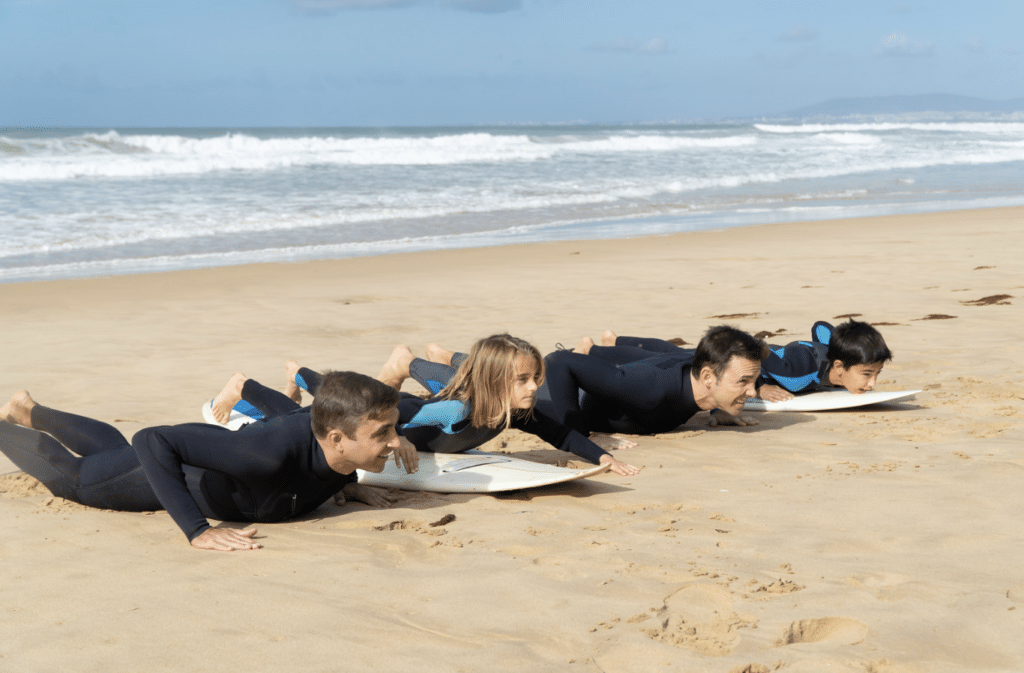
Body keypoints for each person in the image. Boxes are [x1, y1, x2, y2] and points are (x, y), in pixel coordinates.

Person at [0, 371, 401, 552]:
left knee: (112, 450)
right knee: (74, 480)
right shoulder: (264, 456)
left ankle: (28, 409)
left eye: (393, 430)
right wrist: (196, 530)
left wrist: (347, 481)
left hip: (215, 454)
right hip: (163, 470)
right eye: (382, 434)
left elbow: (300, 421)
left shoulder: (338, 451)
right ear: (337, 439)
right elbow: (151, 439)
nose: (395, 443)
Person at [209, 335, 640, 477]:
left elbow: (561, 434)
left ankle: (402, 361)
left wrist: (602, 458)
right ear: (495, 382)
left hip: (427, 404)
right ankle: (246, 385)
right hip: (404, 408)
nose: (534, 388)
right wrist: (397, 439)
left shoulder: (517, 411)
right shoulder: (453, 413)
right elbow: (410, 415)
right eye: (523, 381)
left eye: (534, 379)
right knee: (329, 401)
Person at [539, 325, 768, 435]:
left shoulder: (696, 365)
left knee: (668, 355)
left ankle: (598, 349)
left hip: (624, 376)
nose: (752, 393)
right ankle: (589, 353)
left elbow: (662, 351)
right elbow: (558, 361)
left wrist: (719, 407)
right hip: (555, 391)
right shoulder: (651, 390)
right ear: (708, 377)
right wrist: (581, 436)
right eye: (744, 382)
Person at [598, 319, 892, 403]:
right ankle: (607, 348)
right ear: (838, 367)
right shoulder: (801, 371)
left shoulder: (838, 360)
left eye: (876, 374)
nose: (872, 383)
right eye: (867, 374)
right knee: (676, 357)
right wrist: (761, 387)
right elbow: (765, 357)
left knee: (683, 352)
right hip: (743, 356)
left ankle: (615, 341)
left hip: (788, 355)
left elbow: (821, 328)